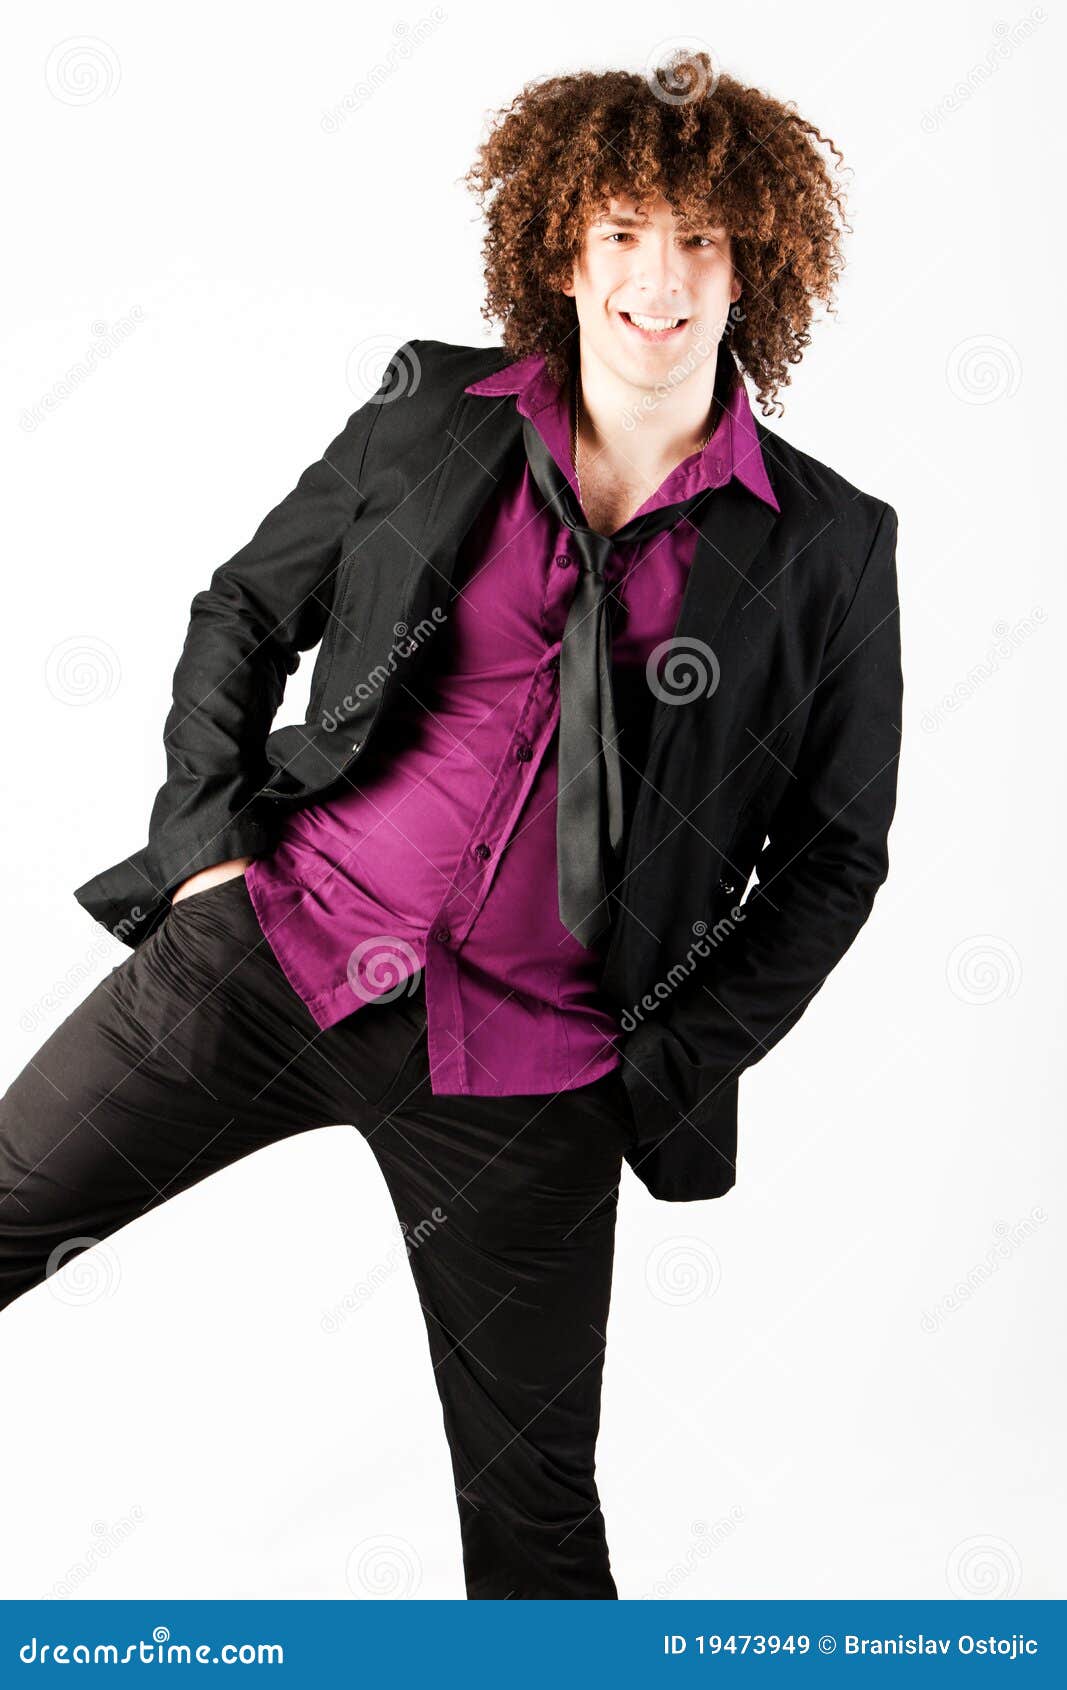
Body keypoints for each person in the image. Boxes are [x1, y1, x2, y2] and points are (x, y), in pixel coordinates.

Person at [0, 53, 902, 1599]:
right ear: (564, 245)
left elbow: (835, 853)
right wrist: (208, 851)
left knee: (535, 1514)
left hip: (540, 1071)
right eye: (624, 230)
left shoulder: (828, 544)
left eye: (698, 239)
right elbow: (246, 608)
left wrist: (663, 1055)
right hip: (269, 952)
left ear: (753, 257)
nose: (658, 279)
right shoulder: (432, 408)